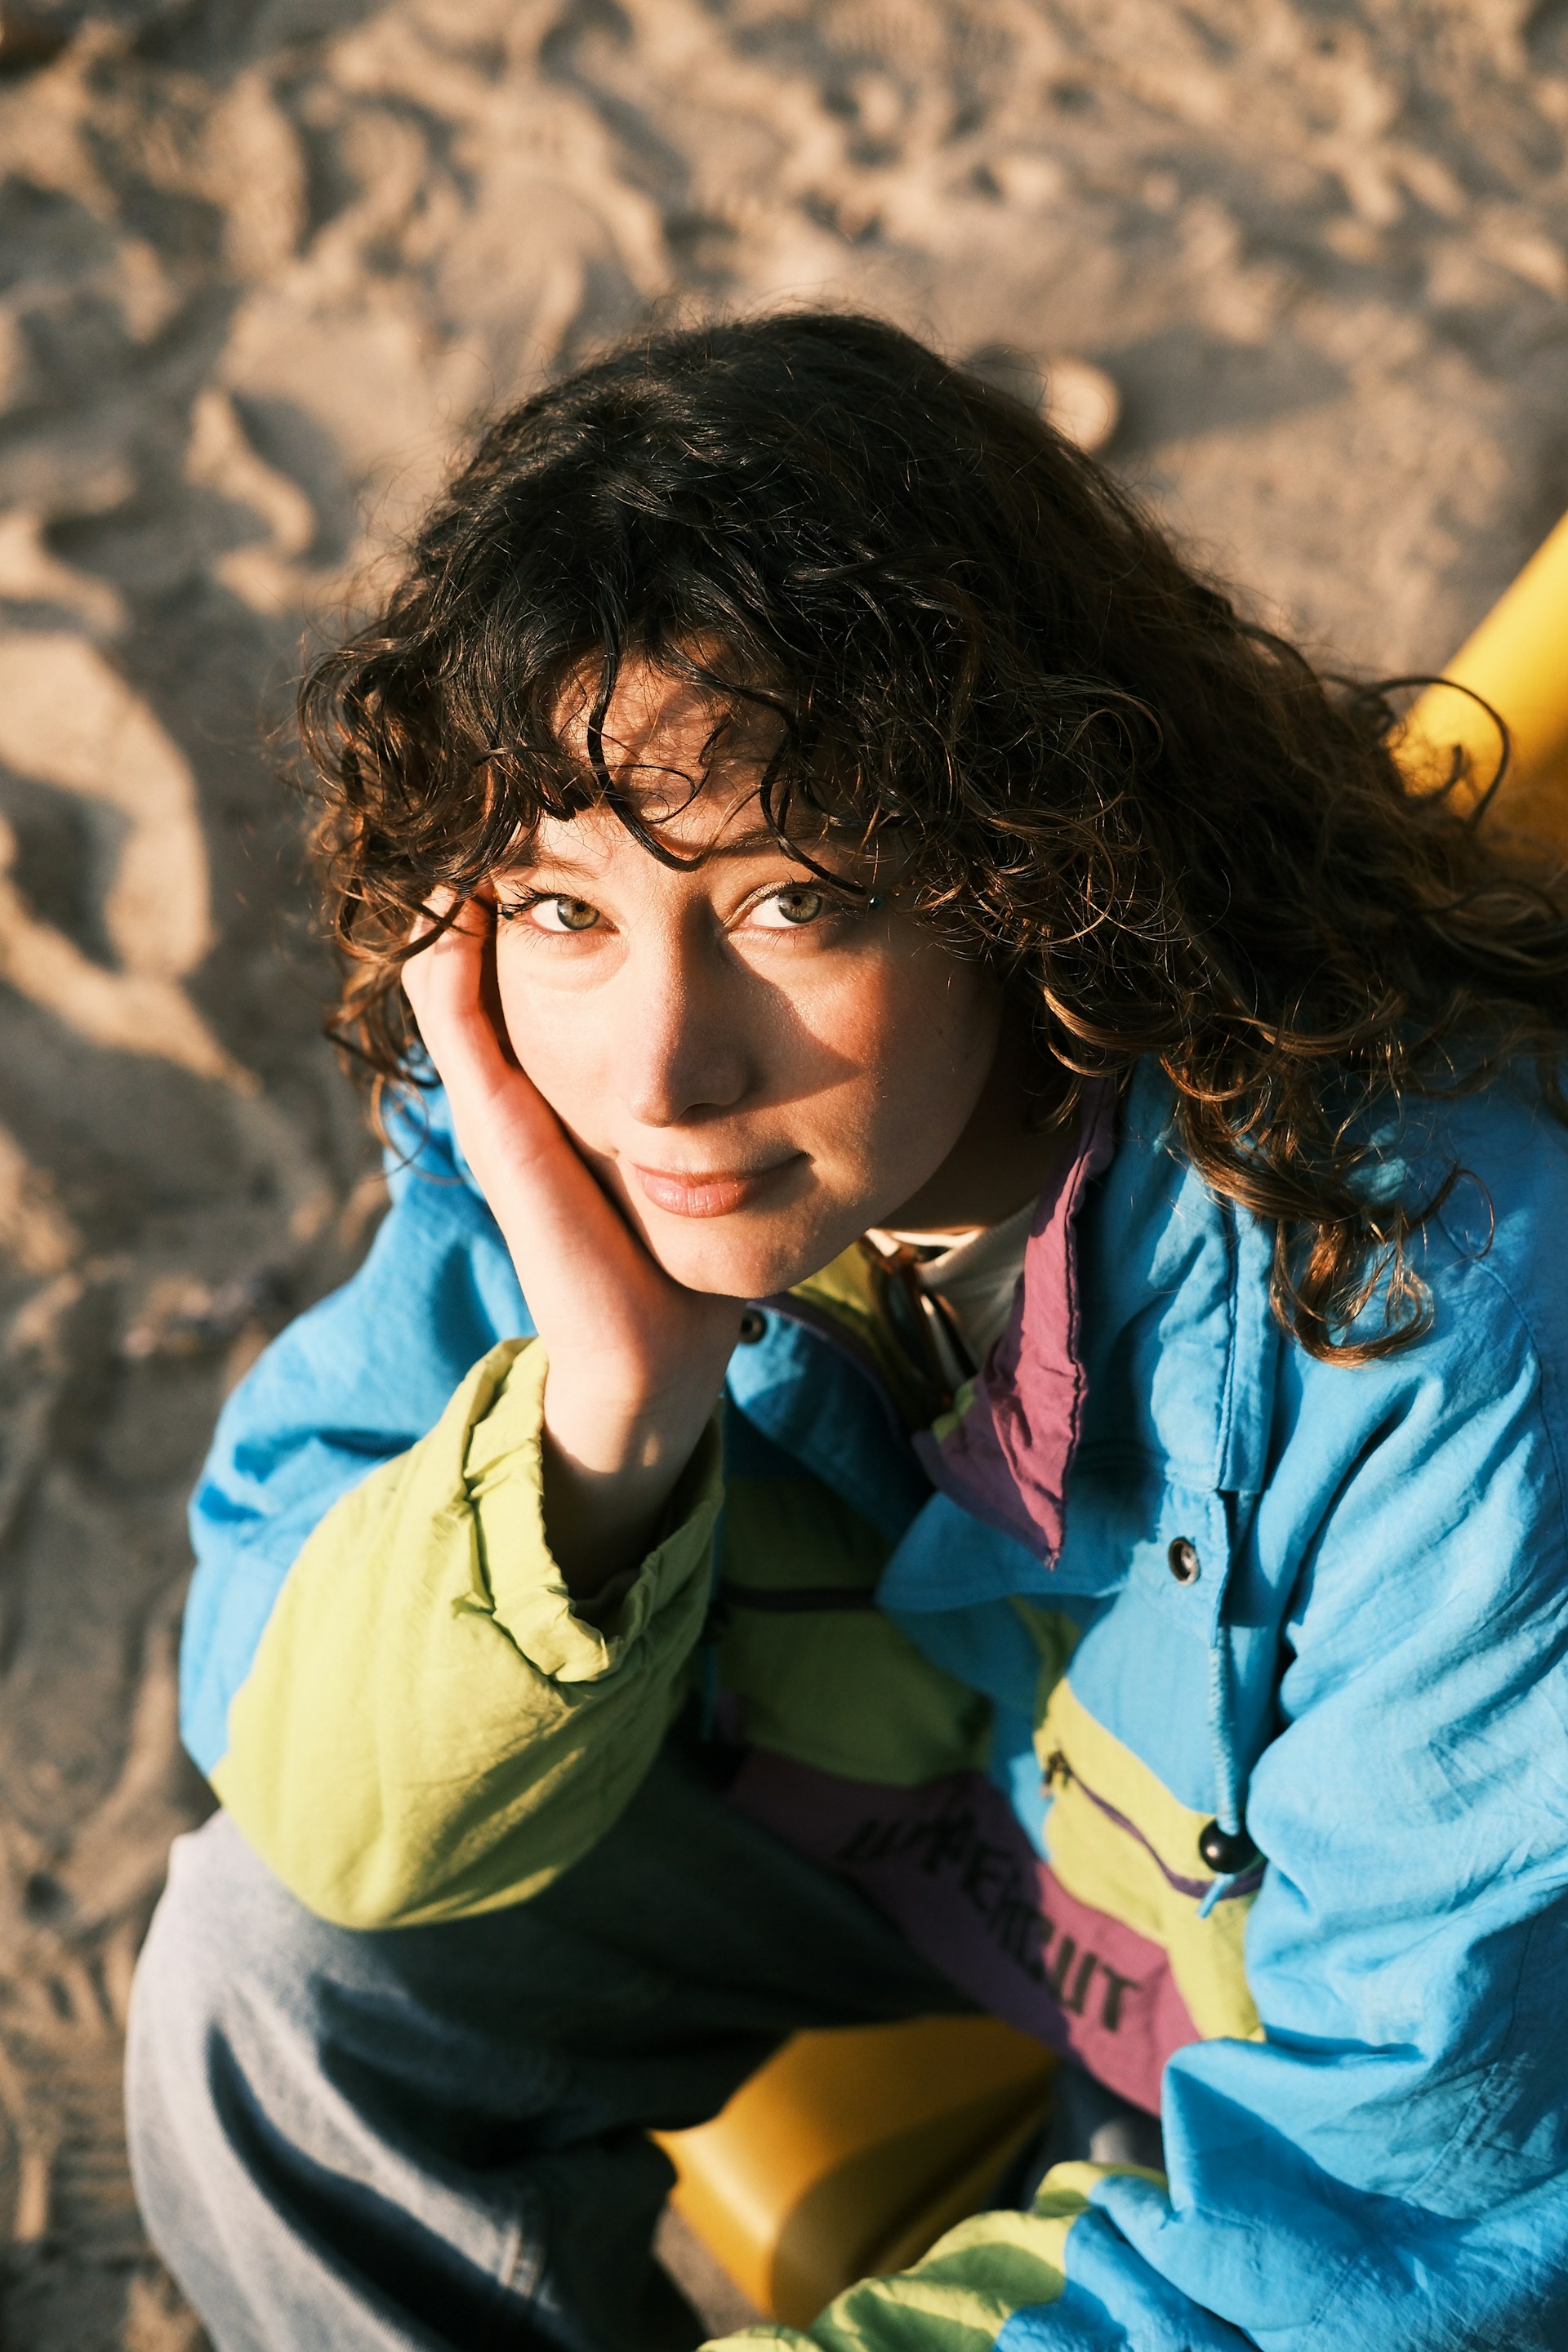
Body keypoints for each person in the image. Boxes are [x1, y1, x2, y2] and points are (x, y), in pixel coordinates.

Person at [126, 311, 1568, 2352]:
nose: (662, 1069)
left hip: (1274, 2021)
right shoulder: (566, 1143)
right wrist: (596, 1440)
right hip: (908, 1864)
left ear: (1027, 865)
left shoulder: (1426, 1307)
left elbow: (1413, 2220)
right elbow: (289, 1751)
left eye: (789, 902)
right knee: (265, 1968)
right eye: (562, 909)